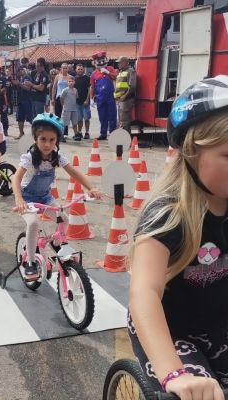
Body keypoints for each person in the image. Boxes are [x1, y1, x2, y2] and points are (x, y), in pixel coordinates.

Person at [128, 76, 228, 400]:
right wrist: (174, 373)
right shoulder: (167, 214)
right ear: (190, 150)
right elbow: (144, 292)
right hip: (171, 330)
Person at [12, 113, 101, 280]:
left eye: (52, 140)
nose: (47, 144)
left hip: (45, 198)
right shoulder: (29, 157)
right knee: (33, 224)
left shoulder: (57, 157)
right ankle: (31, 262)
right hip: (27, 198)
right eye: (43, 139)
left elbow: (74, 173)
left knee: (64, 219)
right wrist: (19, 199)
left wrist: (91, 187)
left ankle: (56, 241)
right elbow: (16, 178)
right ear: (35, 138)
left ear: (57, 141)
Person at [90, 51, 117, 140]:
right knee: (102, 116)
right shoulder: (93, 74)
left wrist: (108, 73)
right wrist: (91, 98)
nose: (100, 62)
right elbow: (92, 87)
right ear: (94, 62)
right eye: (98, 60)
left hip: (110, 97)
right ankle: (103, 133)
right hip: (100, 98)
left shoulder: (110, 68)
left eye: (102, 59)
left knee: (112, 115)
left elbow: (116, 77)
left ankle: (113, 133)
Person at [115, 56, 137, 134]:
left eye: (119, 62)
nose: (118, 64)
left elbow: (132, 86)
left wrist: (125, 96)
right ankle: (123, 138)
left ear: (125, 62)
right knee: (121, 120)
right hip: (120, 100)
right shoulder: (120, 72)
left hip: (127, 100)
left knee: (125, 120)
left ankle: (127, 139)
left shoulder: (131, 71)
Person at [12, 67, 33, 140]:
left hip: (27, 100)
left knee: (30, 118)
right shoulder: (20, 78)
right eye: (19, 70)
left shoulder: (27, 77)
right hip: (20, 100)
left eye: (21, 70)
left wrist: (19, 84)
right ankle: (21, 133)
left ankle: (35, 134)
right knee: (19, 118)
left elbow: (28, 88)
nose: (20, 71)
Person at [52, 63, 71, 139]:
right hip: (58, 97)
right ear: (61, 69)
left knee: (65, 116)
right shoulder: (57, 77)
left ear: (68, 69)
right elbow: (54, 88)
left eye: (66, 68)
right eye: (63, 68)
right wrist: (52, 98)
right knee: (58, 115)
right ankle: (58, 131)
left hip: (67, 99)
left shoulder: (70, 77)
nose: (64, 69)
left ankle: (65, 132)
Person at [74, 64, 91, 140]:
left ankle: (87, 132)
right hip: (77, 102)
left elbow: (89, 89)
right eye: (78, 69)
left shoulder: (87, 78)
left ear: (83, 70)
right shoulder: (74, 79)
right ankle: (79, 132)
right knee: (79, 119)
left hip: (85, 102)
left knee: (86, 118)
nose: (80, 70)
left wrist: (87, 100)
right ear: (76, 70)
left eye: (81, 69)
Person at [60, 76, 79, 140]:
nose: (71, 83)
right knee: (64, 123)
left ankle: (76, 134)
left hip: (74, 109)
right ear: (67, 83)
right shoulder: (65, 90)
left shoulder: (75, 90)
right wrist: (63, 105)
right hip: (66, 109)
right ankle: (61, 135)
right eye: (69, 81)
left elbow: (76, 98)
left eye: (72, 81)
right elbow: (61, 98)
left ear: (74, 82)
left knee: (74, 123)